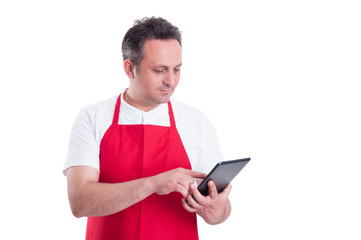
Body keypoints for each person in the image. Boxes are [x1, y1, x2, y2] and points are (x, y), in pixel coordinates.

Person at [64, 17, 232, 240]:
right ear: (129, 68)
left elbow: (222, 209)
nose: (170, 81)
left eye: (177, 69)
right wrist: (152, 184)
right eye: (159, 70)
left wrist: (217, 211)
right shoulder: (93, 118)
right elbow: (80, 202)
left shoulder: (196, 122)